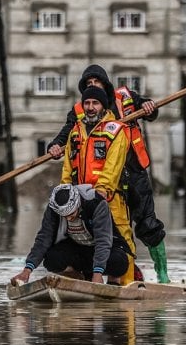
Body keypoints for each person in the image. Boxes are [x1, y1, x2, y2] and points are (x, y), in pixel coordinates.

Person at [48, 65, 170, 283]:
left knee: (147, 224)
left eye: (97, 83)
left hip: (132, 173)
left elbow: (150, 111)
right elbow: (66, 135)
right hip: (103, 181)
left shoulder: (125, 98)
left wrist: (150, 106)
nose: (93, 88)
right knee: (103, 229)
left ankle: (162, 273)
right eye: (88, 85)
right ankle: (106, 274)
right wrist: (55, 146)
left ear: (106, 84)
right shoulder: (80, 112)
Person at [59, 85, 137, 284]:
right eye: (87, 103)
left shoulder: (116, 131)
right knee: (81, 241)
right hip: (80, 202)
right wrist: (64, 193)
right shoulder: (75, 132)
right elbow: (68, 167)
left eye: (95, 103)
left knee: (122, 242)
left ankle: (124, 284)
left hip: (109, 198)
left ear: (103, 106)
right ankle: (85, 282)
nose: (91, 107)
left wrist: (101, 191)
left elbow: (113, 166)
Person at [10, 183, 130, 285]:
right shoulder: (53, 208)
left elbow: (103, 241)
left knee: (119, 262)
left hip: (105, 249)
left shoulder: (96, 203)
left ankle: (113, 282)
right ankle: (77, 277)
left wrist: (97, 274)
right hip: (77, 247)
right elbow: (43, 238)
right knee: (52, 259)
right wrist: (27, 270)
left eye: (71, 214)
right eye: (65, 216)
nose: (68, 219)